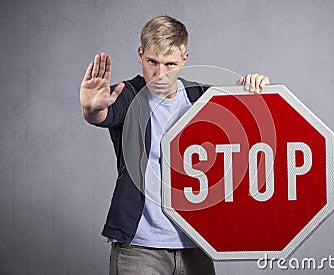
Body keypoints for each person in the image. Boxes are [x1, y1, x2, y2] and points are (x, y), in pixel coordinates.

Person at [80, 15, 269, 275]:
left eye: (170, 64)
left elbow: (242, 121)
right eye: (152, 62)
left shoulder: (201, 96)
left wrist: (250, 87)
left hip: (198, 246)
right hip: (139, 249)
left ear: (184, 59)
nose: (160, 74)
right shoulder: (127, 94)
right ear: (140, 54)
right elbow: (103, 114)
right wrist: (92, 109)